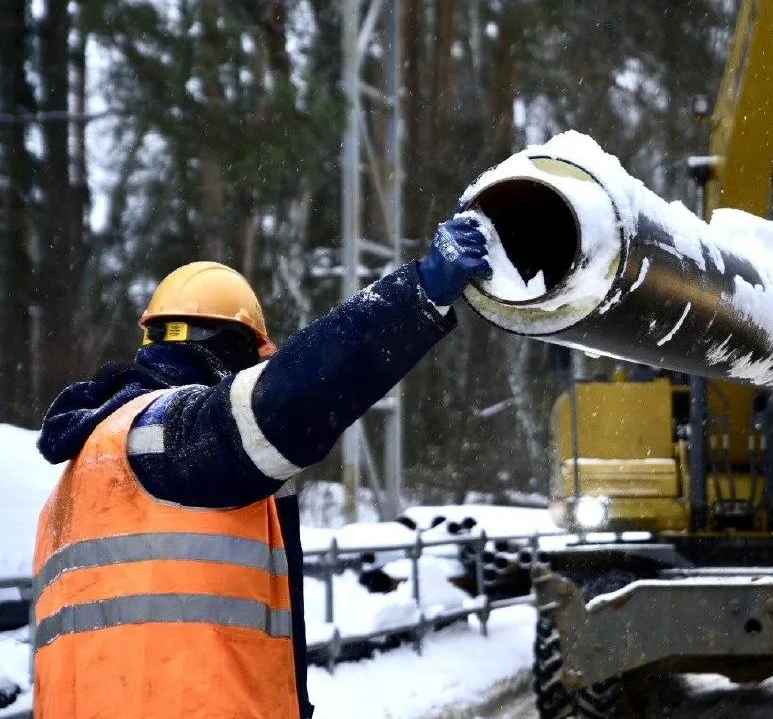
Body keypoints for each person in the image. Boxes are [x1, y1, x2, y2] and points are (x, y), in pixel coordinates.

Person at [30, 211, 493, 719]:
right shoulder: (166, 437)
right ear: (229, 350)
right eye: (253, 360)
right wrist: (419, 294)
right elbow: (296, 393)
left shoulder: (76, 482)